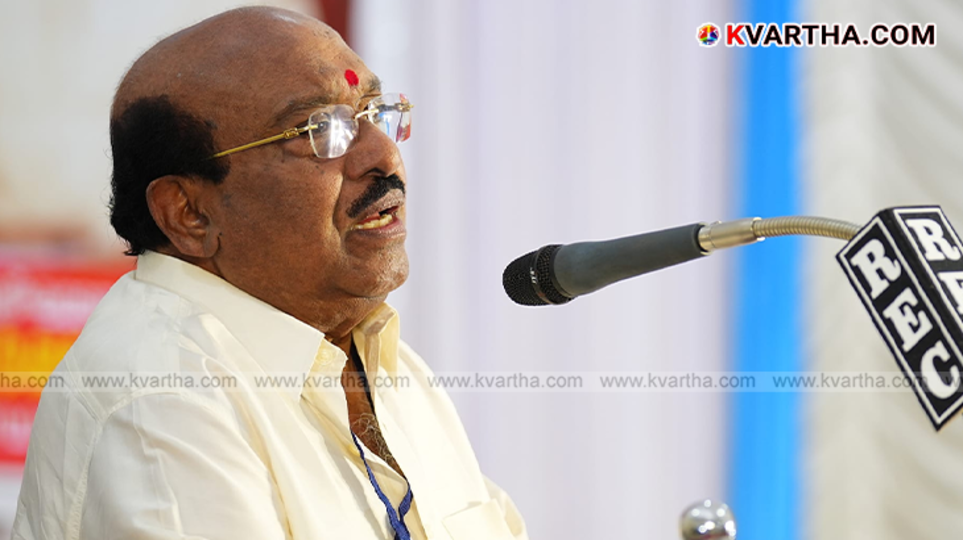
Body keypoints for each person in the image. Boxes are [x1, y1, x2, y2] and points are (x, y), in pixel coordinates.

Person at [11, 7, 527, 540]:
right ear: (189, 212)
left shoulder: (378, 356)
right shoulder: (161, 398)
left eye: (374, 111)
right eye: (319, 129)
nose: (383, 154)